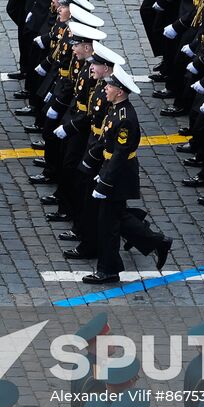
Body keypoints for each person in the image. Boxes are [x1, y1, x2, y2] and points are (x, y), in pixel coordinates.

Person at [85, 68, 174, 283]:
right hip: (112, 168)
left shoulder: (125, 118)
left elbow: (120, 154)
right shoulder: (115, 109)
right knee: (117, 218)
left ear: (120, 92)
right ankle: (157, 242)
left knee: (108, 224)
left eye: (110, 86)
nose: (105, 88)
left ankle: (108, 270)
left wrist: (105, 180)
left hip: (119, 174)